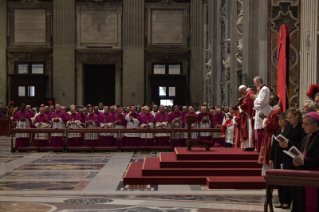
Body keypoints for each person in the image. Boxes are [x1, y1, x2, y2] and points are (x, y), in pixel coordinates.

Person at [291, 112, 319, 212]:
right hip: (302, 177)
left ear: (315, 125)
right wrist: (296, 161)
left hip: (315, 179)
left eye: (306, 124)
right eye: (303, 124)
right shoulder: (306, 138)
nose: (303, 127)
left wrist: (303, 161)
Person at [268, 112, 290, 209]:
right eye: (278, 120)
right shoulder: (277, 132)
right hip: (277, 157)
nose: (280, 121)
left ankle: (286, 201)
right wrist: (271, 158)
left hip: (285, 156)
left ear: (286, 120)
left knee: (285, 180)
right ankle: (281, 201)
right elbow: (274, 146)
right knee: (279, 180)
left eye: (281, 119)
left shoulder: (289, 130)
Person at [257, 95, 281, 175]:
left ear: (275, 101)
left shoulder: (277, 111)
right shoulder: (274, 110)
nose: (268, 101)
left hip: (272, 134)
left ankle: (270, 172)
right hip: (269, 134)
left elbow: (273, 125)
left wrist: (264, 119)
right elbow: (271, 121)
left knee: (269, 151)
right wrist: (265, 118)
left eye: (270, 99)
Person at [250, 76, 272, 152]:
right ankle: (259, 148)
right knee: (259, 132)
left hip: (263, 111)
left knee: (261, 132)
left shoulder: (265, 89)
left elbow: (262, 102)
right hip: (260, 111)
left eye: (255, 83)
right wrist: (256, 97)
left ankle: (262, 149)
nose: (254, 84)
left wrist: (254, 98)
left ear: (258, 82)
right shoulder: (261, 89)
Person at [238, 85, 255, 151]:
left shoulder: (249, 93)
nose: (241, 93)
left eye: (241, 92)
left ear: (244, 89)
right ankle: (248, 145)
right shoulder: (249, 93)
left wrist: (241, 107)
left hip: (248, 115)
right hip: (247, 115)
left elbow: (246, 105)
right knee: (247, 129)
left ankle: (250, 146)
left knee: (249, 130)